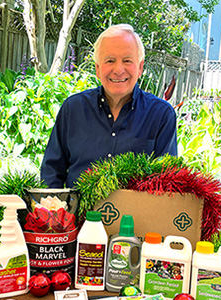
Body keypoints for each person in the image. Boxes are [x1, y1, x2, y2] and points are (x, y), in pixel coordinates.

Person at [41, 24, 177, 188]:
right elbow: (51, 172)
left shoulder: (161, 115)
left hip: (136, 214)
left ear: (140, 67)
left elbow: (167, 183)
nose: (118, 70)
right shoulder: (73, 109)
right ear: (98, 69)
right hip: (77, 213)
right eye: (110, 61)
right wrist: (54, 211)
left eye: (127, 61)